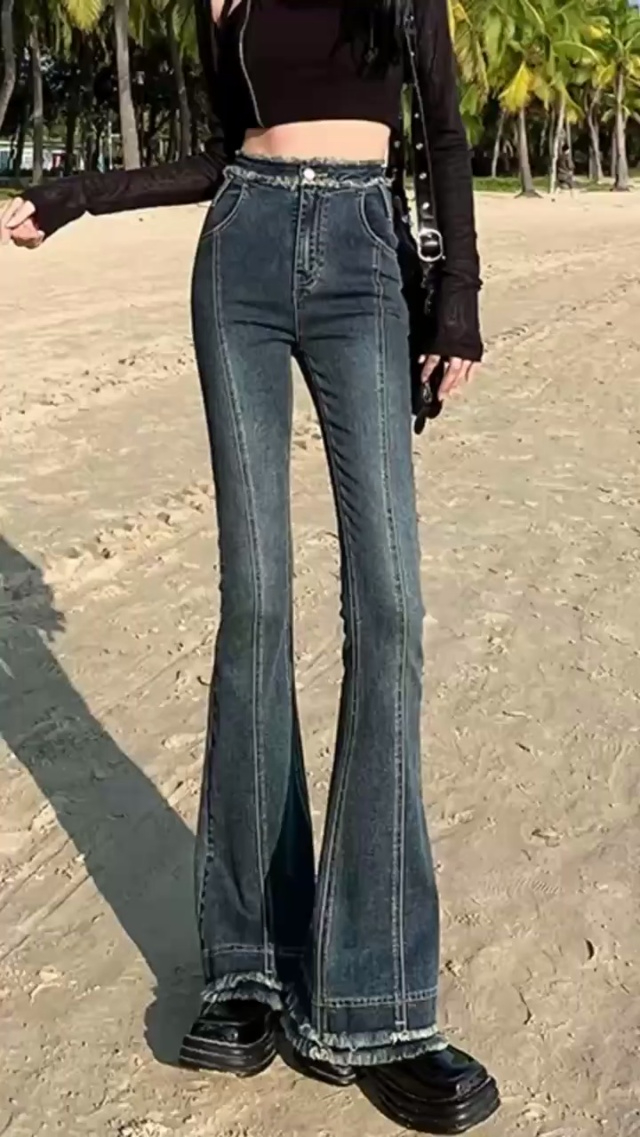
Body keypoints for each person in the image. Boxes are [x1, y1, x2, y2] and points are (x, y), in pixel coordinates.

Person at [1, 0, 499, 1131]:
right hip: (241, 258)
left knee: (390, 607)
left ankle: (377, 999)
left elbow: (444, 128)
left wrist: (457, 302)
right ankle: (250, 967)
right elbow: (221, 153)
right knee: (257, 606)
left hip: (365, 254)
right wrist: (81, 193)